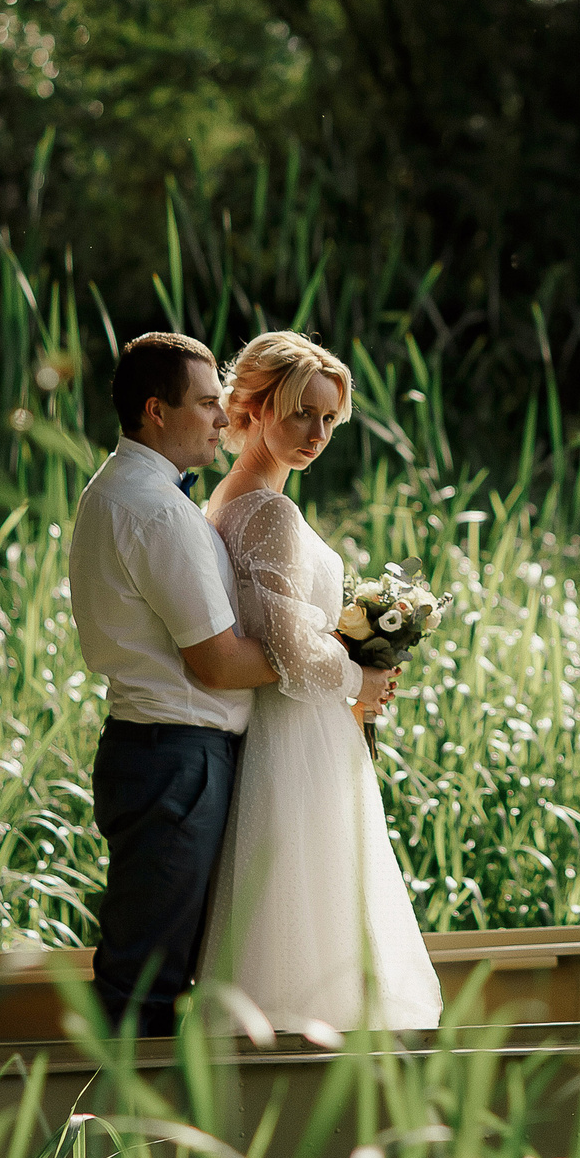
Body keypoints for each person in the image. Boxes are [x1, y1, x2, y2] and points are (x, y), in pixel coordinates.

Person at [198, 331, 441, 1033]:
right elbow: (294, 654)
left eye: (330, 419)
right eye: (303, 411)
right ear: (259, 405)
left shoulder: (228, 497)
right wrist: (360, 677)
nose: (317, 432)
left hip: (281, 731)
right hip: (299, 736)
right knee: (314, 923)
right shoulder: (269, 510)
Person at [67, 331, 297, 1037]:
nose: (221, 419)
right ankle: (115, 1132)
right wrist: (333, 660)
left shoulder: (121, 490)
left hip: (157, 752)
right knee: (148, 984)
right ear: (154, 410)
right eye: (204, 403)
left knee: (151, 969)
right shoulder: (158, 510)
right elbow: (220, 663)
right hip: (178, 760)